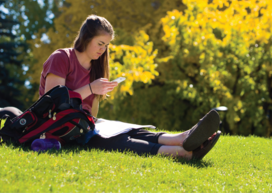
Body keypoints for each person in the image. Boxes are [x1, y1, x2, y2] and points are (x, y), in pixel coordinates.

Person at [39, 15, 221, 160]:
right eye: (100, 44)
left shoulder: (95, 67)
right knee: (115, 139)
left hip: (81, 124)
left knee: (128, 130)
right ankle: (182, 153)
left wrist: (92, 119)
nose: (103, 50)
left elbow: (91, 111)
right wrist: (91, 88)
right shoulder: (62, 58)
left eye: (107, 45)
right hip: (59, 127)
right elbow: (51, 101)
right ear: (86, 38)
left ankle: (182, 139)